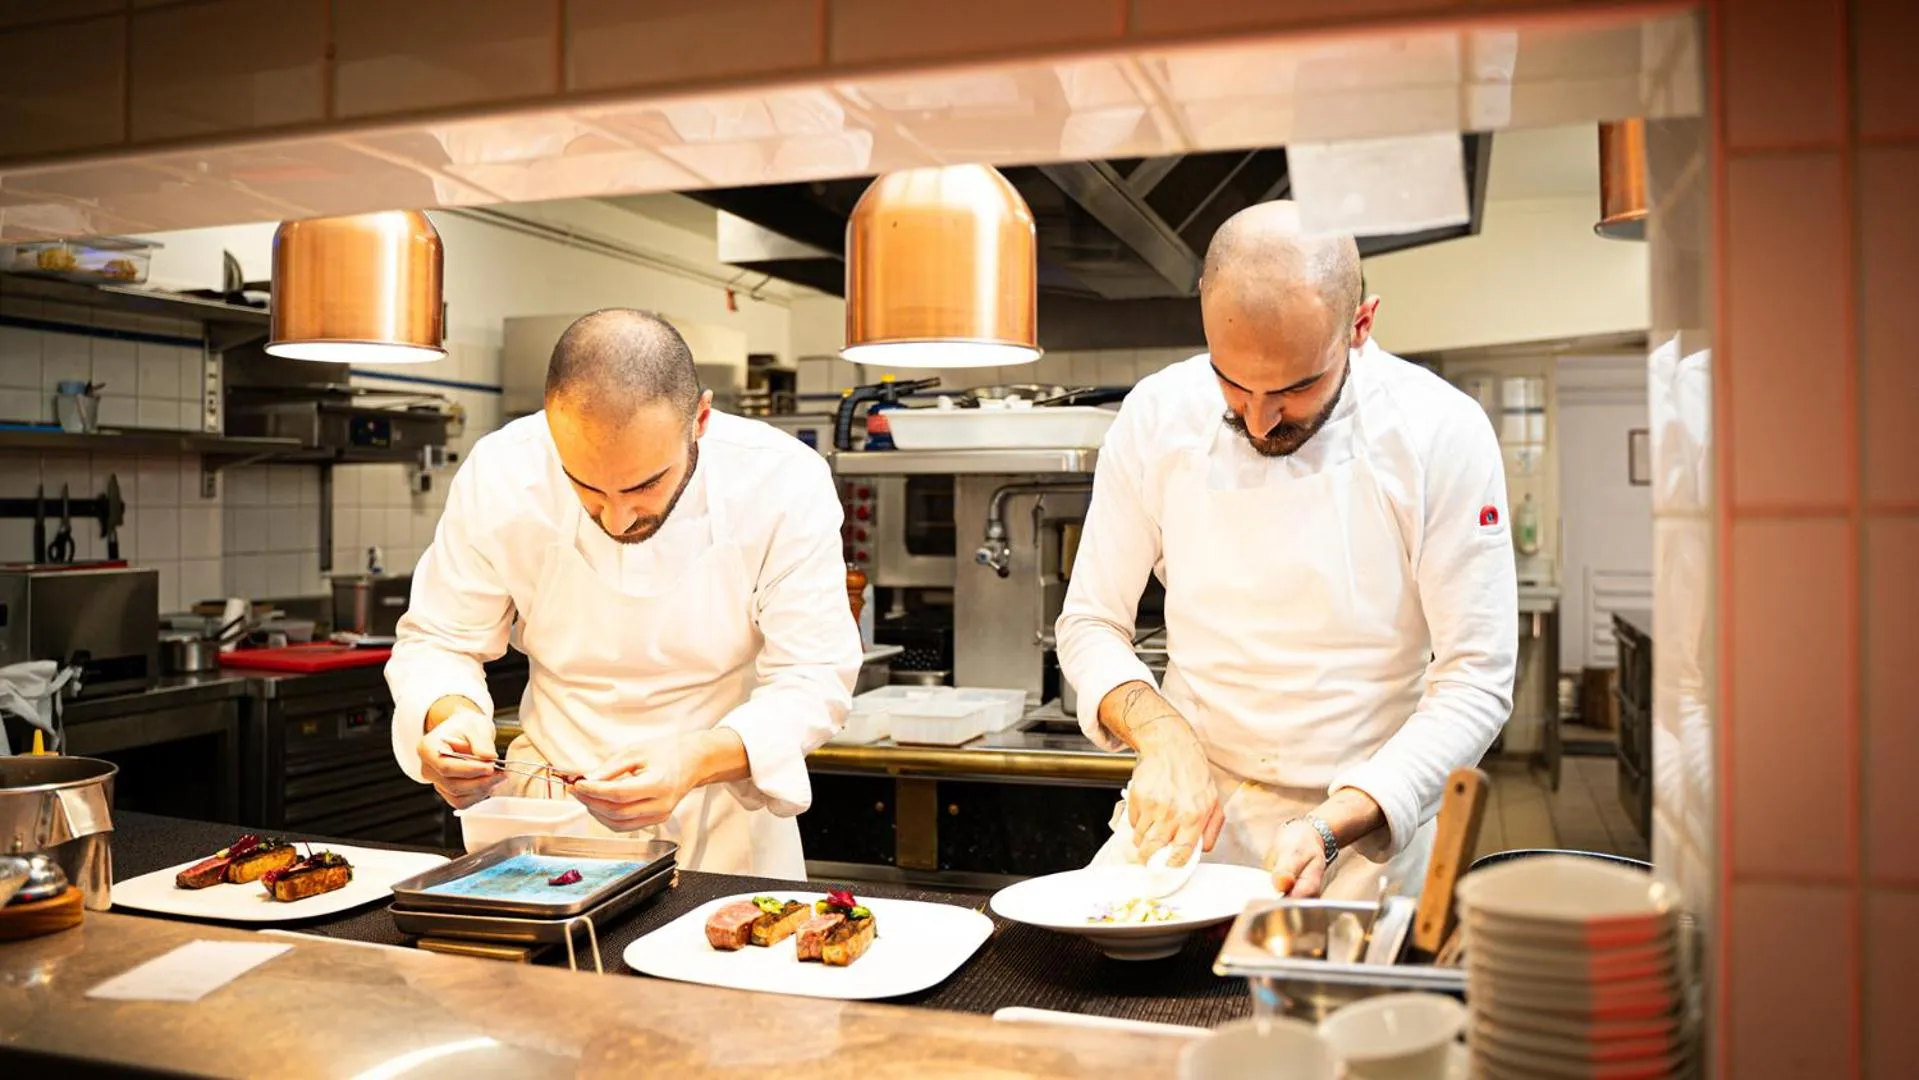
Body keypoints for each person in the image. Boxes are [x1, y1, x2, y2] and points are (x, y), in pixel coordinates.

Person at [1056, 202, 1517, 900]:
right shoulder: (1156, 415)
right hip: (1188, 821)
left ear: (1360, 326)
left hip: (1360, 836)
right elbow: (1089, 622)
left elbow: (1475, 680)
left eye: (1295, 387)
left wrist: (1334, 823)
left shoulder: (1439, 432)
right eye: (1232, 383)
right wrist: (1165, 738)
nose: (1259, 417)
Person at [386, 309, 861, 877]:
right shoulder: (503, 471)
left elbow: (815, 677)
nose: (616, 516)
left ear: (701, 420)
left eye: (645, 485)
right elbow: (440, 639)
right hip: (550, 824)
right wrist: (451, 715)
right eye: (584, 486)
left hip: (721, 818)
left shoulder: (781, 480)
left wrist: (693, 759)